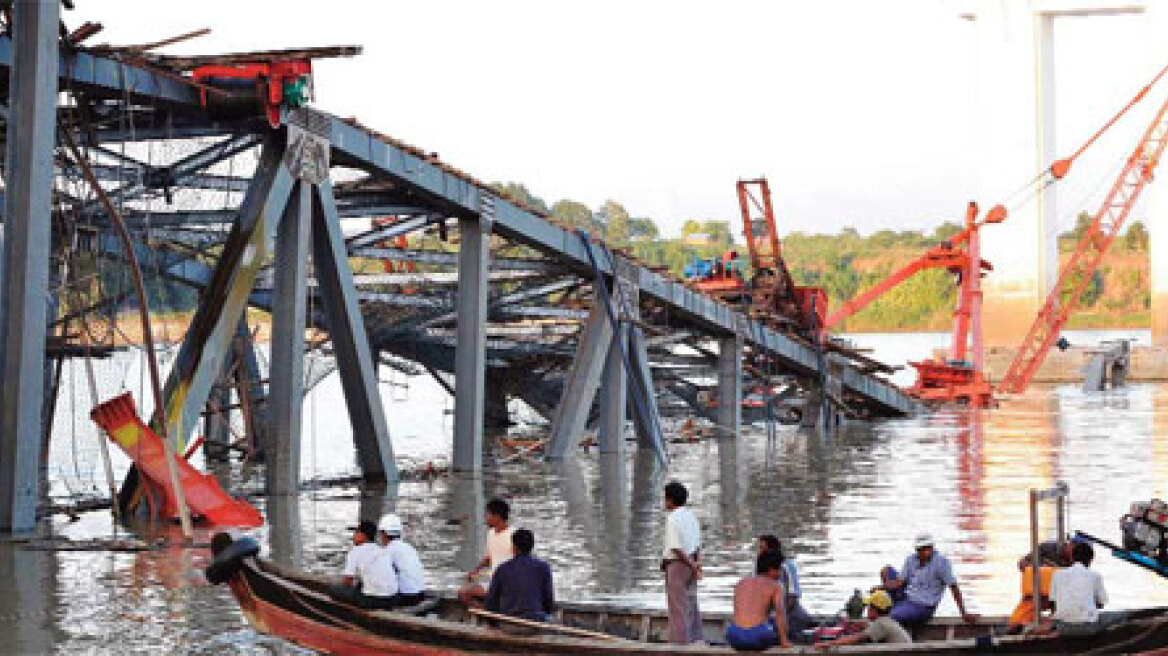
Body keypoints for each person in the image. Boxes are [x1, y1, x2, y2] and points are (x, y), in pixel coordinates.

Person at [881, 533, 976, 628]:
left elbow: (953, 587)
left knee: (890, 616)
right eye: (922, 549)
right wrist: (882, 588)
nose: (926, 551)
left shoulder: (941, 563)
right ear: (917, 549)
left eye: (928, 548)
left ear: (932, 547)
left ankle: (895, 614)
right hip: (907, 596)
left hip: (923, 606)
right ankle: (893, 607)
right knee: (886, 570)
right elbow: (899, 582)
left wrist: (963, 612)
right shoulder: (911, 560)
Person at [662, 480, 703, 645]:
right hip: (692, 561)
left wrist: (692, 565)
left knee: (677, 608)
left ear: (670, 500)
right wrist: (696, 565)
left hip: (678, 565)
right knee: (691, 605)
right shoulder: (691, 517)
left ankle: (679, 645)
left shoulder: (673, 519)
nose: (664, 502)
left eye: (665, 499)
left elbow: (676, 548)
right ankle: (696, 640)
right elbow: (697, 545)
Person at [1005, 538, 1076, 632]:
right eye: (1074, 551)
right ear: (1070, 545)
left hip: (1057, 595)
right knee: (1025, 611)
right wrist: (1043, 571)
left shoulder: (1076, 566)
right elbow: (1022, 563)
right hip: (1038, 587)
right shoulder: (1047, 548)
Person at [725, 550, 791, 651]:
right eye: (780, 569)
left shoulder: (741, 583)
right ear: (772, 570)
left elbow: (737, 612)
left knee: (768, 621)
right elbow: (780, 614)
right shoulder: (776, 586)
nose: (781, 573)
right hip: (758, 636)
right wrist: (784, 641)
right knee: (774, 625)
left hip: (733, 635)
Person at [485, 529, 554, 623]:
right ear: (532, 547)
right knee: (555, 622)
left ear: (513, 548)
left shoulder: (502, 569)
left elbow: (491, 602)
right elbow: (548, 601)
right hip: (535, 626)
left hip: (507, 624)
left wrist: (493, 623)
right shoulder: (543, 567)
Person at [459, 497, 515, 607]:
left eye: (487, 515)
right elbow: (488, 559)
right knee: (462, 593)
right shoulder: (490, 533)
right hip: (492, 580)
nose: (485, 518)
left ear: (497, 517)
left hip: (506, 584)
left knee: (466, 592)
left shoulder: (514, 535)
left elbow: (519, 562)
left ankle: (488, 612)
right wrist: (475, 571)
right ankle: (486, 611)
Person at [331, 519, 399, 609]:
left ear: (363, 536)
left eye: (356, 532)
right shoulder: (381, 550)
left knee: (333, 589)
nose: (354, 536)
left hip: (372, 600)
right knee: (360, 585)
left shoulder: (355, 551)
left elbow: (347, 582)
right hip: (393, 599)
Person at [757, 534, 813, 642]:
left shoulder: (787, 566)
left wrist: (777, 617)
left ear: (772, 550)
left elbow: (792, 598)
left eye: (762, 548)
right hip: (770, 615)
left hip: (790, 614)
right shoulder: (759, 566)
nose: (759, 552)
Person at [814, 589, 911, 649]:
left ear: (874, 610)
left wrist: (829, 643)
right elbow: (868, 624)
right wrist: (850, 621)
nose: (867, 610)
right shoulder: (886, 620)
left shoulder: (881, 624)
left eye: (869, 607)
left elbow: (856, 638)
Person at [1049, 540, 1108, 636]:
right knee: (1116, 616)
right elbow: (1102, 604)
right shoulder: (1095, 576)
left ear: (1072, 558)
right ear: (1090, 560)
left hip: (1062, 627)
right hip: (1088, 626)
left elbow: (1052, 604)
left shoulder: (1057, 574)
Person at [378, 513, 428, 609]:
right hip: (420, 594)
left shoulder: (388, 551)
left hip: (406, 598)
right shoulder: (409, 547)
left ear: (384, 533)